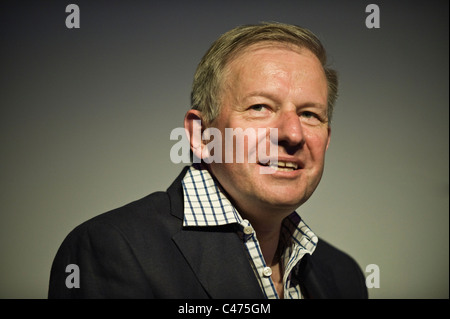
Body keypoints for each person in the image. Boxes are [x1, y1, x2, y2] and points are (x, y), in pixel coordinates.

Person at [48, 22, 368, 299]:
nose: (293, 134)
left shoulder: (344, 275)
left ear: (326, 138)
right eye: (260, 107)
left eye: (310, 114)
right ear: (202, 136)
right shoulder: (113, 249)